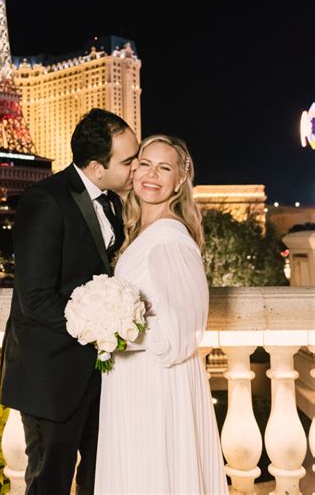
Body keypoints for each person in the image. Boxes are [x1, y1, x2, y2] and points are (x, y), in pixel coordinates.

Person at [0, 108, 139, 494]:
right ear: (96, 166)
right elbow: (36, 299)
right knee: (50, 483)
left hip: (98, 374)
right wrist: (101, 326)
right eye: (128, 160)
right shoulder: (44, 201)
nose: (136, 167)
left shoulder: (112, 200)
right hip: (52, 375)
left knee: (98, 477)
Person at [95, 134, 228, 494]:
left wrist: (115, 328)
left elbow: (181, 335)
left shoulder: (170, 238)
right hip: (134, 379)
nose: (152, 175)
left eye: (164, 167)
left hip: (155, 384)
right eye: (145, 164)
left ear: (179, 179)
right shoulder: (141, 232)